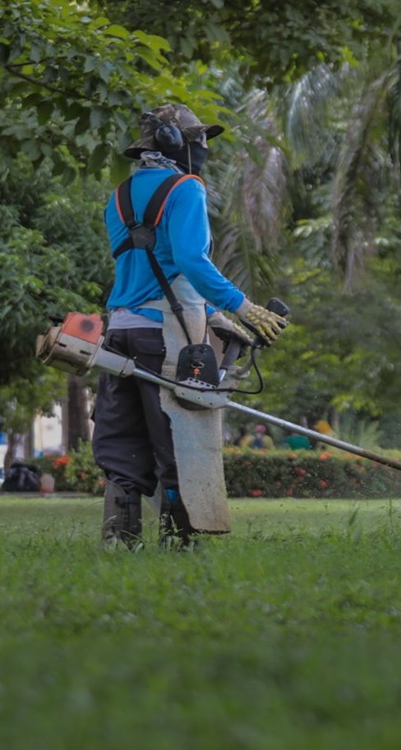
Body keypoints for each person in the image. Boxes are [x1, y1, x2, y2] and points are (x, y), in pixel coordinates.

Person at [93, 104, 289, 549]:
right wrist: (241, 306)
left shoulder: (119, 196)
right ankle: (180, 539)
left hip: (119, 330)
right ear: (173, 143)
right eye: (198, 139)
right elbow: (188, 260)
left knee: (123, 439)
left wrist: (216, 320)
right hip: (164, 335)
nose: (203, 149)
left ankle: (120, 540)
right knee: (178, 440)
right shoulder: (186, 188)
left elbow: (148, 269)